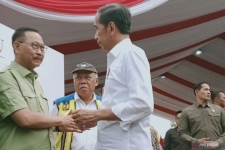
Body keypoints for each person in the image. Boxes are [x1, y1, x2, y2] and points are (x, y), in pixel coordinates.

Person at [72, 3, 154, 150]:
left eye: (97, 29)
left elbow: (143, 104)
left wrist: (97, 115)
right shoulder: (117, 58)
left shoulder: (131, 54)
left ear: (111, 27)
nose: (95, 36)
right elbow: (119, 103)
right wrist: (97, 118)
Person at [0, 27, 79, 150]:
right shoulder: (5, 77)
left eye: (42, 48)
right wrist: (61, 119)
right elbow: (25, 119)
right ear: (17, 47)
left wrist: (58, 126)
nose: (40, 52)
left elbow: (38, 123)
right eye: (35, 46)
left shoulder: (35, 82)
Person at [51, 62, 102, 150]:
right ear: (74, 82)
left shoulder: (105, 104)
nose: (82, 81)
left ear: (96, 81)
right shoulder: (60, 104)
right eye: (78, 78)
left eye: (88, 77)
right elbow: (48, 128)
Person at [177, 82, 225, 150]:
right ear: (197, 92)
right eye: (205, 90)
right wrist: (196, 142)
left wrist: (218, 142)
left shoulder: (219, 110)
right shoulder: (187, 111)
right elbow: (181, 134)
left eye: (209, 90)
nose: (209, 92)